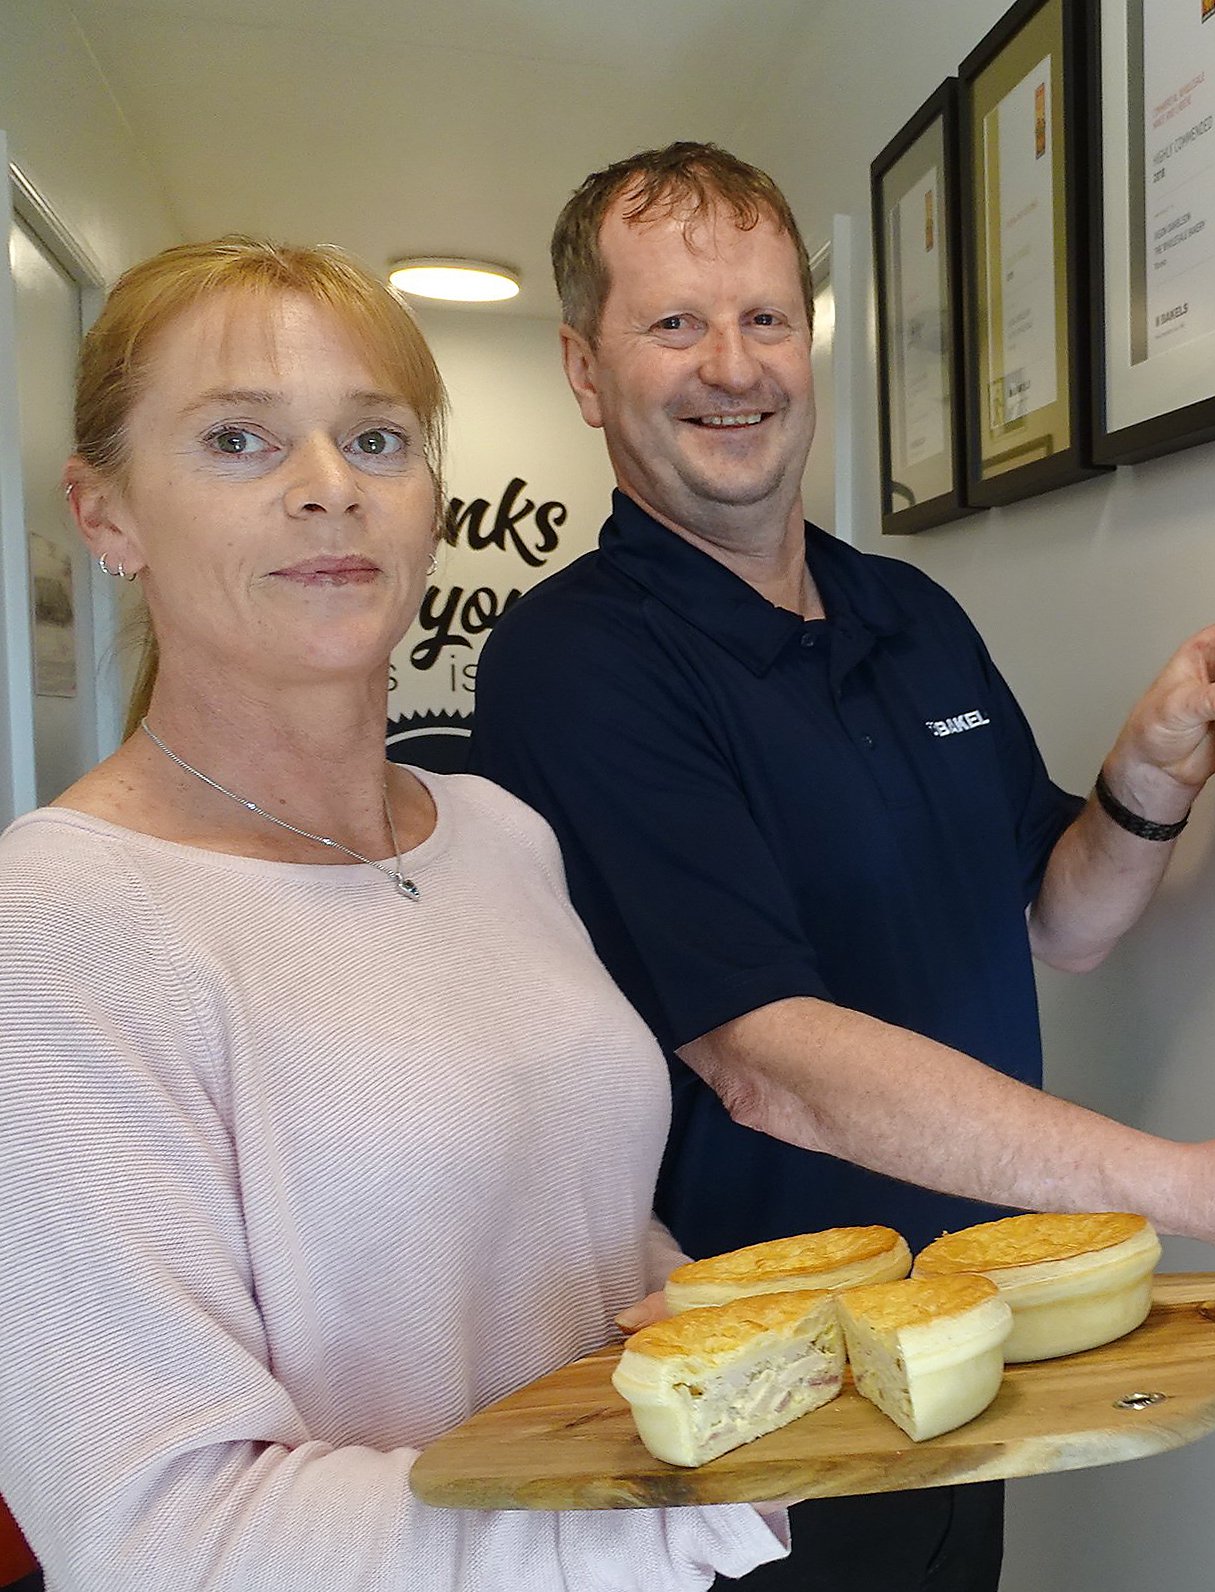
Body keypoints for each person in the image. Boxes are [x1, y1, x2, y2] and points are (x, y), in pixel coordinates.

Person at [468, 144, 1215, 1591]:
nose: (729, 365)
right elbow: (766, 1062)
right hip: (756, 1397)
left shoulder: (906, 613)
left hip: (969, 1347)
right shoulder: (577, 662)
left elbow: (1055, 923)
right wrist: (1192, 1191)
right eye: (673, 323)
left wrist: (1142, 782)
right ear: (582, 363)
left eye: (760, 317)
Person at [0, 238, 792, 1590]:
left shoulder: (498, 835)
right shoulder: (63, 926)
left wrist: (702, 1321)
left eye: (376, 438)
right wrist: (677, 1515)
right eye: (240, 439)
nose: (327, 491)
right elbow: (159, 1537)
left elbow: (564, 1227)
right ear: (107, 513)